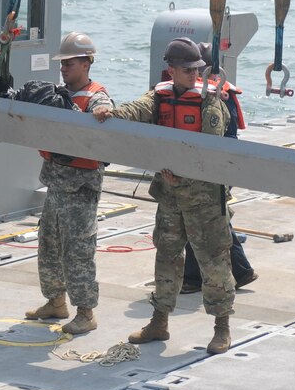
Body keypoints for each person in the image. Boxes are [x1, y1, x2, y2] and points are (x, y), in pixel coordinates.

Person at [93, 37, 235, 354]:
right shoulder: (159, 97)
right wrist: (109, 112)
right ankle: (159, 321)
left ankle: (222, 327)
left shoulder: (210, 102)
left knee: (214, 262)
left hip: (204, 199)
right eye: (185, 69)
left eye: (196, 69)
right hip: (170, 194)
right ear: (170, 70)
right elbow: (138, 110)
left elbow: (211, 150)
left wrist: (182, 170)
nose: (192, 75)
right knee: (166, 257)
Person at [19, 32, 113, 335]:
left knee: (78, 253)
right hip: (57, 186)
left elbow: (105, 119)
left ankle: (85, 313)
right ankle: (56, 302)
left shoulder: (97, 97)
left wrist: (101, 114)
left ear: (86, 63)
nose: (63, 68)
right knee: (48, 247)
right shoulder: (57, 94)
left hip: (80, 190)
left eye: (69, 63)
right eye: (62, 64)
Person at [181, 41, 257, 294]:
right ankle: (242, 271)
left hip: (215, 165)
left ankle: (193, 277)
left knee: (200, 219)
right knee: (215, 220)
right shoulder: (218, 92)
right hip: (220, 163)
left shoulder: (215, 95)